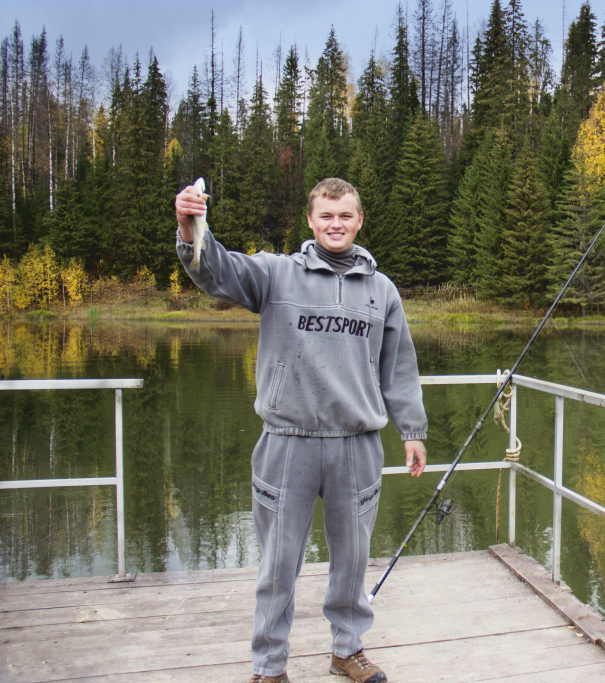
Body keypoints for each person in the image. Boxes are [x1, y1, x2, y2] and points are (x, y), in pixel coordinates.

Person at [175, 178, 428, 683]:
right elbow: (215, 270)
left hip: (357, 445)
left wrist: (412, 430)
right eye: (327, 216)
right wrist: (189, 227)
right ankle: (269, 667)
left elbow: (398, 368)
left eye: (346, 216)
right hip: (287, 443)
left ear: (359, 221)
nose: (337, 224)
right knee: (277, 567)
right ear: (310, 221)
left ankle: (347, 649)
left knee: (353, 562)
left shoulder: (382, 291)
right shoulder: (275, 274)